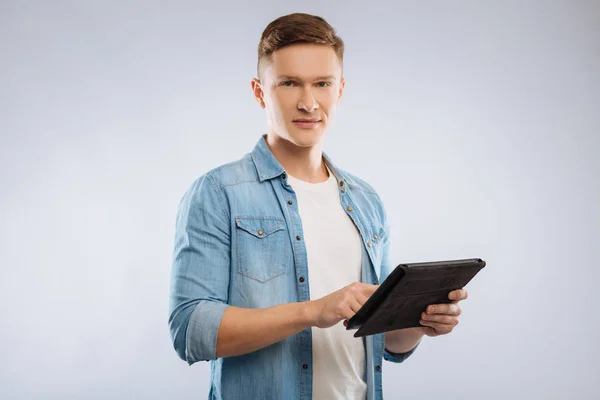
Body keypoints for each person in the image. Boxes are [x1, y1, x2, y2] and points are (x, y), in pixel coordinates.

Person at [169, 12, 468, 400]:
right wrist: (312, 311)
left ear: (339, 90)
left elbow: (385, 343)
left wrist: (419, 323)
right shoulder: (217, 192)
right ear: (260, 91)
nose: (309, 103)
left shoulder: (366, 201)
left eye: (322, 84)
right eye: (290, 83)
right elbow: (190, 330)